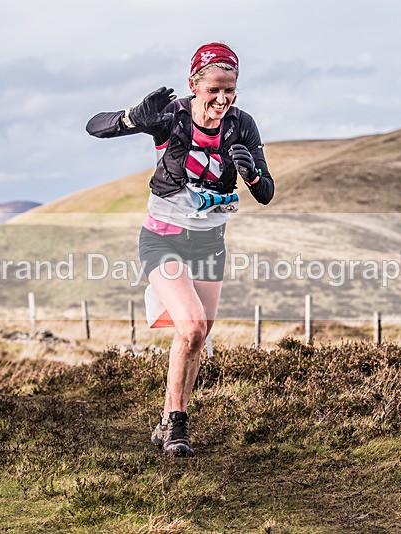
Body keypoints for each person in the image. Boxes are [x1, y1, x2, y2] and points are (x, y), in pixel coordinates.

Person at [86, 42, 274, 457]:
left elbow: (265, 193)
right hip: (163, 237)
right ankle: (177, 427)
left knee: (198, 335)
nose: (223, 99)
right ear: (194, 85)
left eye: (231, 91)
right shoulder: (170, 116)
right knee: (189, 328)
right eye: (214, 90)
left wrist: (253, 172)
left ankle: (168, 418)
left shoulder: (243, 126)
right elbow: (94, 127)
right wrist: (132, 117)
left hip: (210, 243)